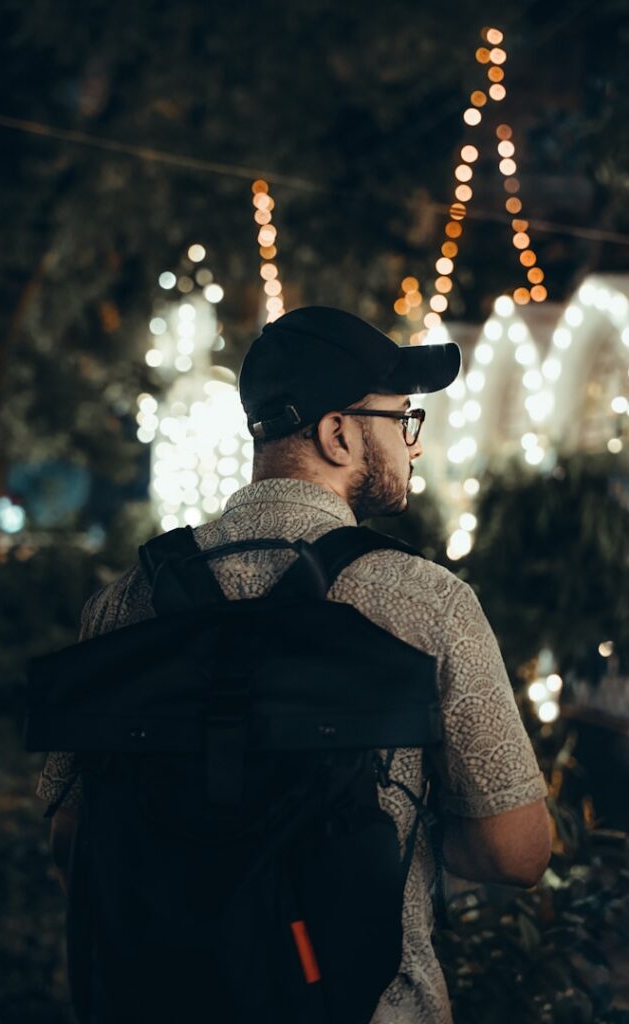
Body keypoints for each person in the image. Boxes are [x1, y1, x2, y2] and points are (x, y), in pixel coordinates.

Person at [38, 305, 550, 1024]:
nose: (414, 448)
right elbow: (517, 851)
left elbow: (71, 836)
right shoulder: (426, 603)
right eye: (402, 420)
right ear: (337, 433)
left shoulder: (122, 603)